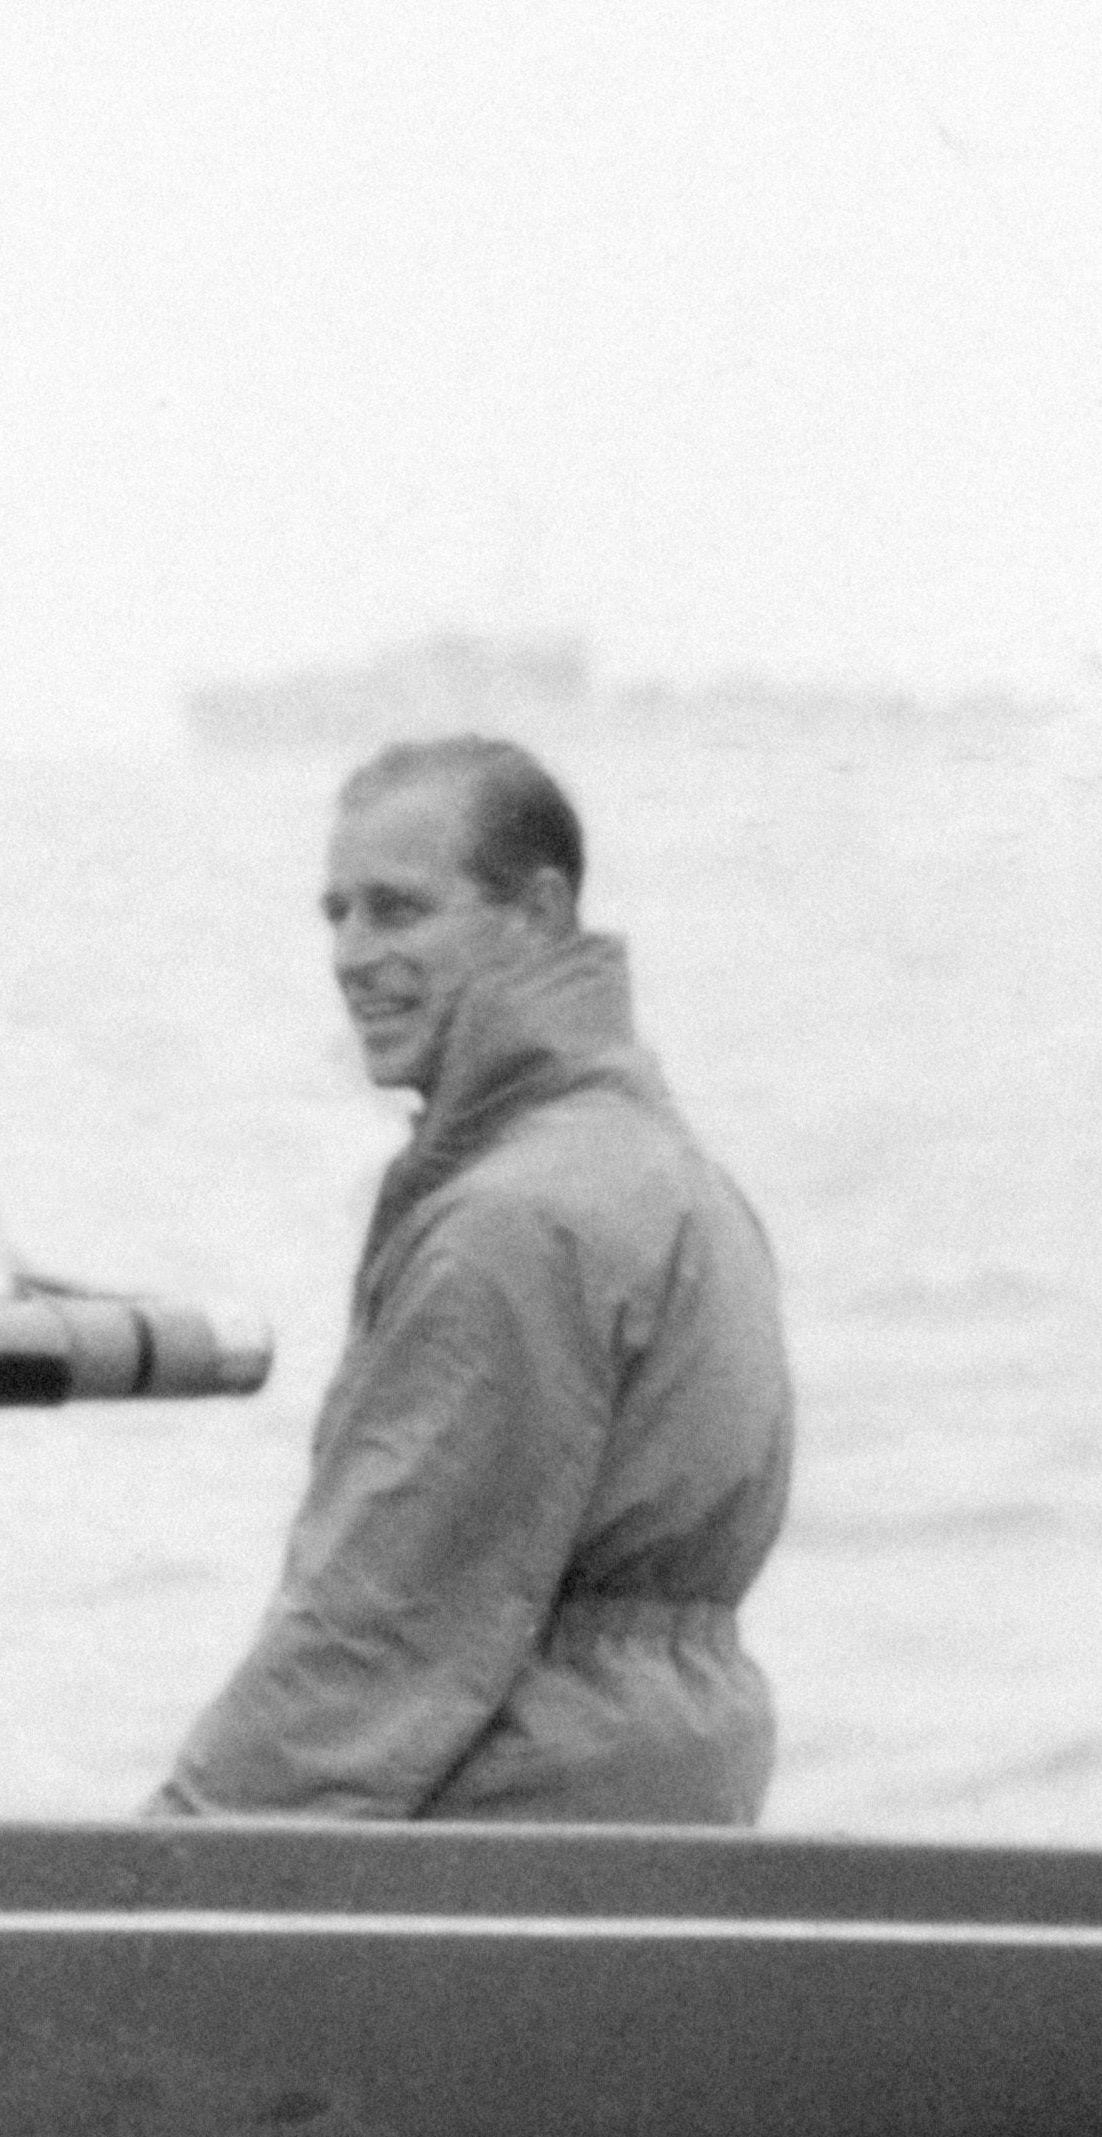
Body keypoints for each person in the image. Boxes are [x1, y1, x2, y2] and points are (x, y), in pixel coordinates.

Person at [155, 737, 793, 1824]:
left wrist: (155, 1881)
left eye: (398, 910)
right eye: (335, 913)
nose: (351, 955)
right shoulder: (675, 1173)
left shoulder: (509, 1224)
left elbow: (373, 1637)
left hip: (508, 1830)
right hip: (666, 1809)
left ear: (537, 914)